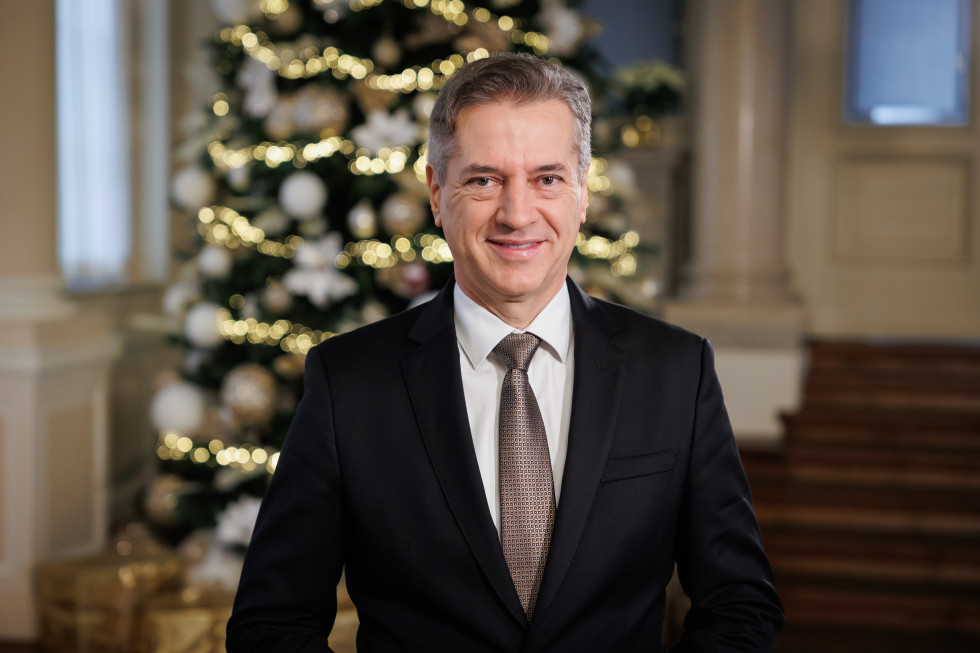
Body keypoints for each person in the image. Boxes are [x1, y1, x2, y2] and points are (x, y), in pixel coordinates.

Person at [227, 52, 784, 652]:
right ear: (437, 193)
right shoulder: (348, 382)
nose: (518, 215)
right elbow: (271, 624)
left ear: (582, 193)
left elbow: (740, 606)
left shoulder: (676, 371)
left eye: (547, 178)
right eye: (484, 180)